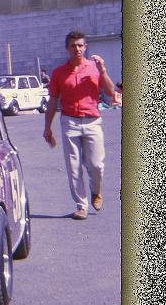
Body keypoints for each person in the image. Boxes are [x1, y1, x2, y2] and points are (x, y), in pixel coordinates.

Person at [43, 31, 115, 220]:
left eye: (80, 45)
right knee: (73, 167)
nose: (77, 49)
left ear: (85, 47)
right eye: (73, 46)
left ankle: (96, 191)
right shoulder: (59, 73)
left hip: (92, 121)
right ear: (67, 48)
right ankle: (81, 205)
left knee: (96, 165)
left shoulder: (94, 68)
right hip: (70, 122)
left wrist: (103, 71)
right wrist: (47, 127)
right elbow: (53, 101)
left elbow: (110, 93)